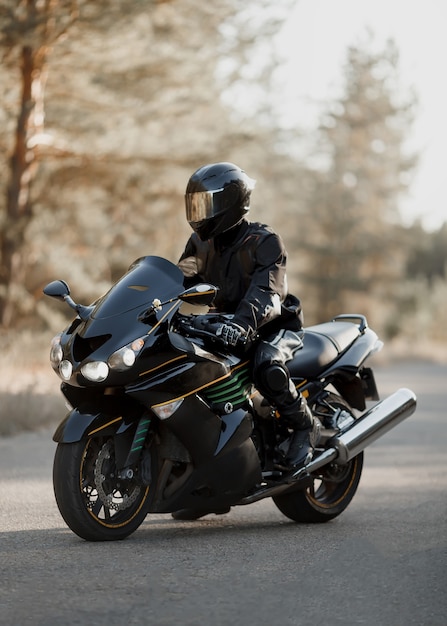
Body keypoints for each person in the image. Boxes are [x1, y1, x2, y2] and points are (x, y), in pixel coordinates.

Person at [174, 162, 319, 520]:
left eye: (206, 205)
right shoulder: (198, 243)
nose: (199, 215)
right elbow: (178, 283)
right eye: (195, 205)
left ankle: (304, 426)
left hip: (273, 326)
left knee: (266, 365)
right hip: (224, 323)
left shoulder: (264, 241)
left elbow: (267, 294)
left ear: (232, 204)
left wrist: (241, 324)